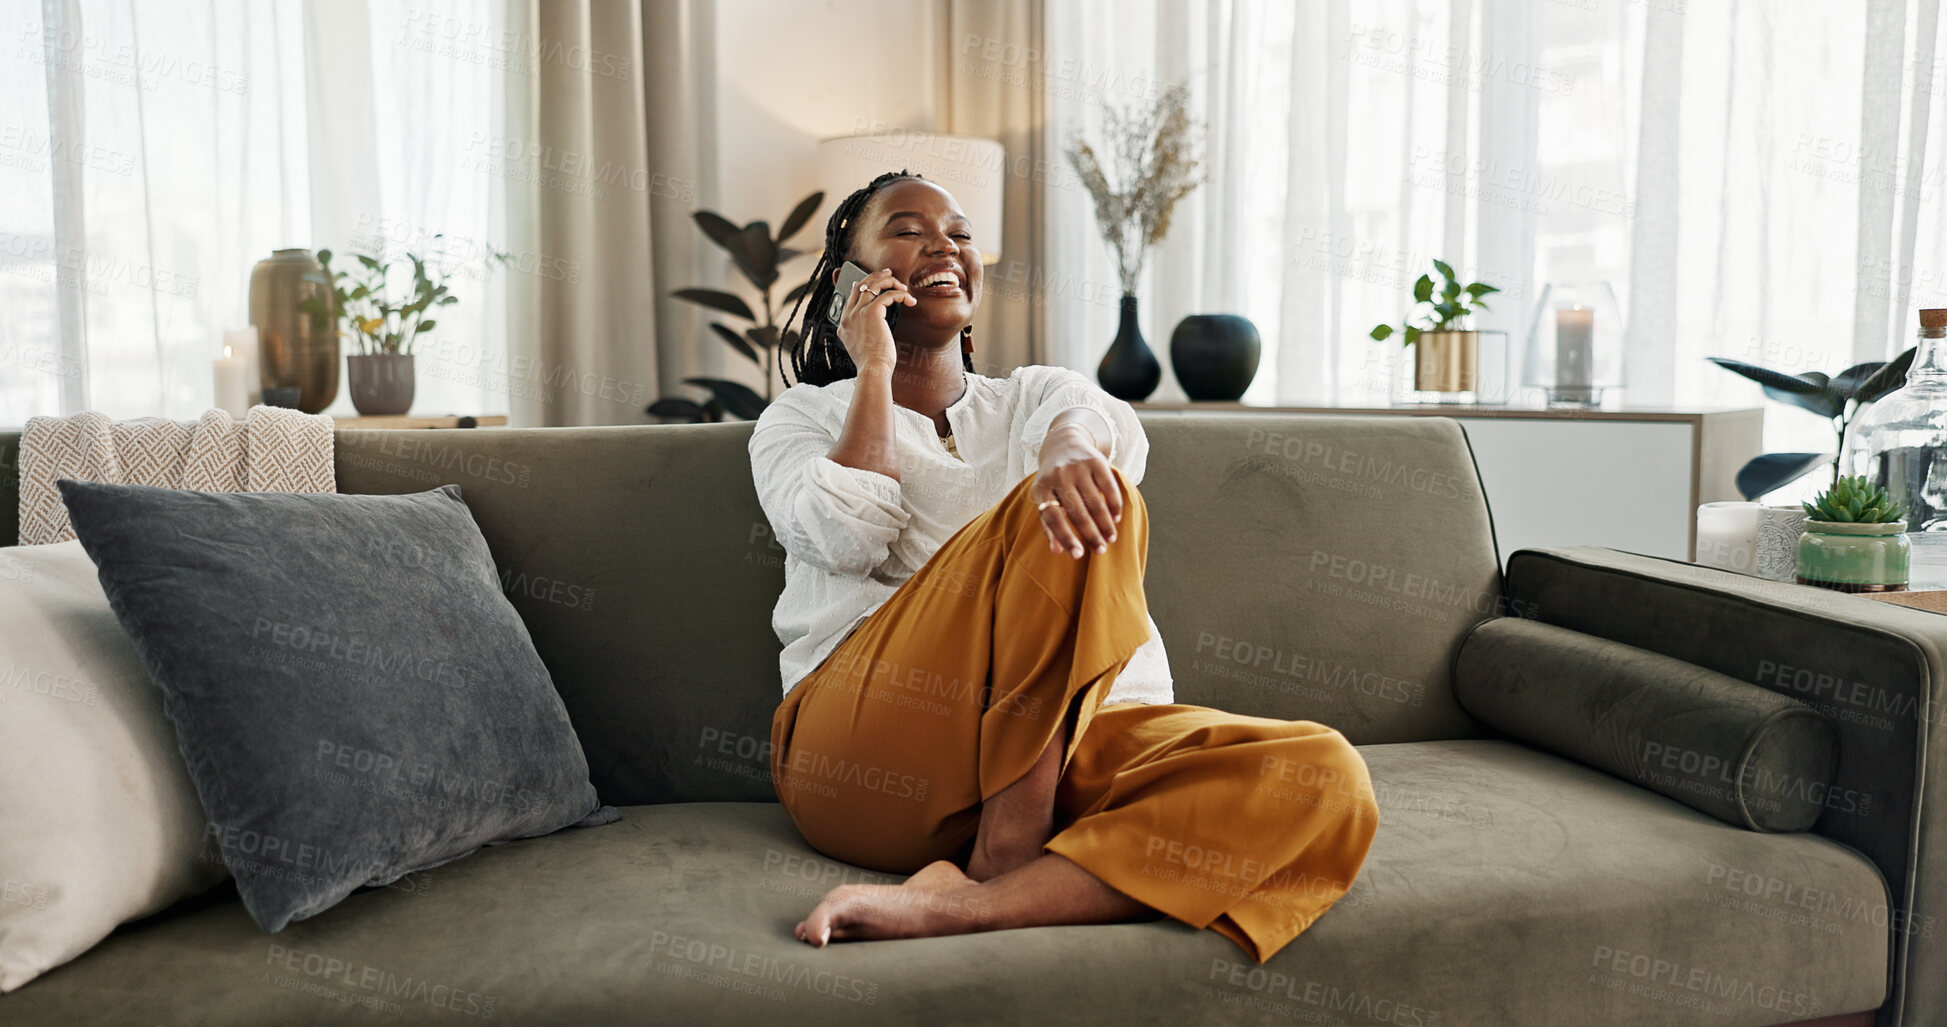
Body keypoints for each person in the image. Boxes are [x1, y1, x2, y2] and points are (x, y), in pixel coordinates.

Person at [750, 170, 1377, 963]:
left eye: (960, 232)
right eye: (908, 230)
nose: (945, 243)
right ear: (849, 273)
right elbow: (845, 536)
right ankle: (1012, 845)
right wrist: (869, 368)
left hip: (1067, 744)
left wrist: (1067, 449)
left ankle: (974, 903)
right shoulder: (800, 418)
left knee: (1324, 777)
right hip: (868, 752)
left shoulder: (1034, 394)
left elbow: (1089, 424)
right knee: (1054, 510)